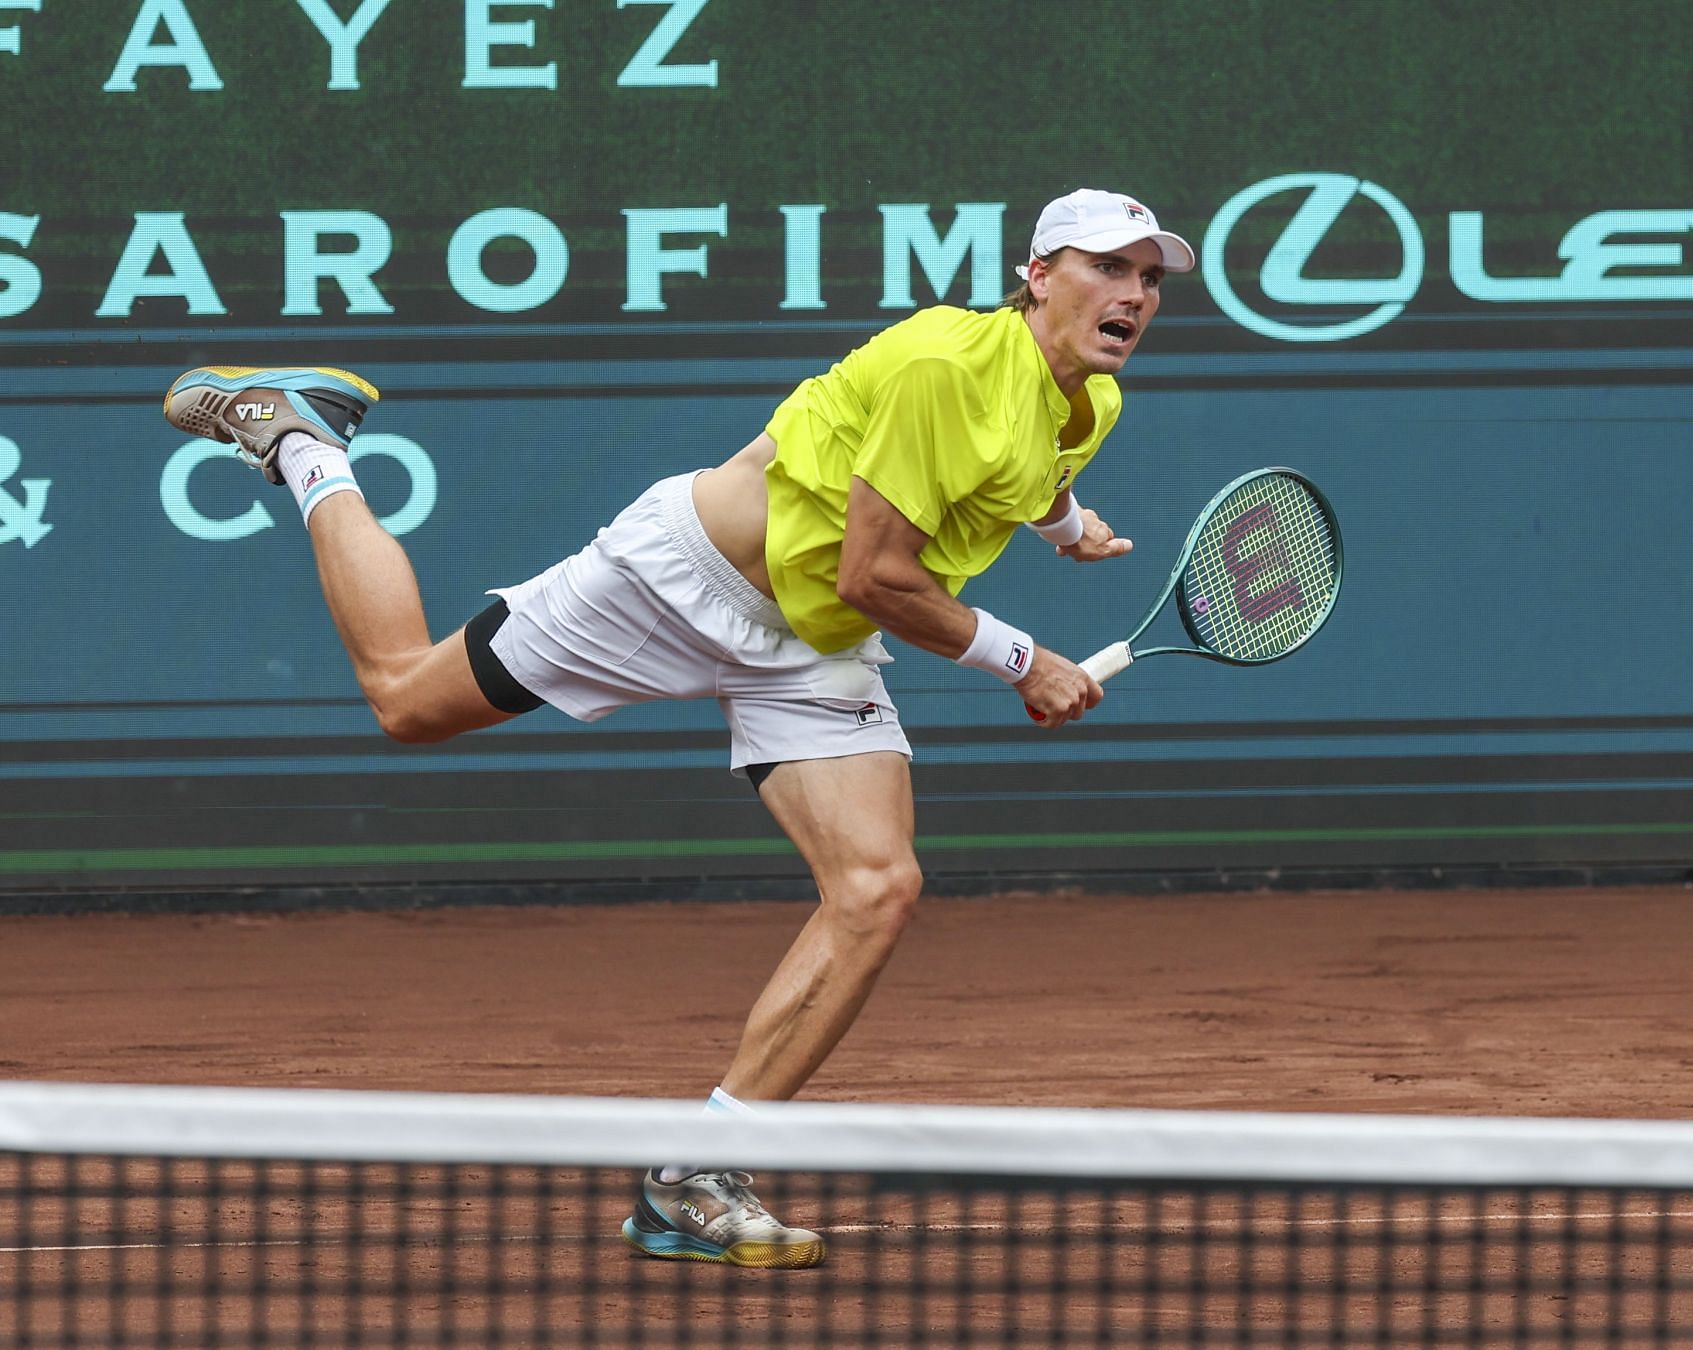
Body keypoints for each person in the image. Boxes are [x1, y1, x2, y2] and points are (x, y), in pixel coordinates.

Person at [162, 188, 1194, 1268]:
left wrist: (1070, 529)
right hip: (683, 580)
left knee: (877, 886)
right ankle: (303, 445)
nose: (1131, 295)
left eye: (1148, 278)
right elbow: (878, 571)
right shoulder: (944, 364)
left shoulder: (1090, 404)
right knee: (405, 699)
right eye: (1105, 268)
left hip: (814, 642)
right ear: (1037, 277)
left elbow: (1021, 470)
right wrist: (1023, 662)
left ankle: (694, 1176)